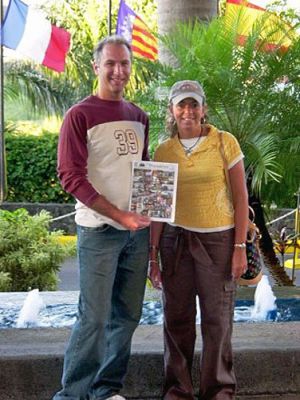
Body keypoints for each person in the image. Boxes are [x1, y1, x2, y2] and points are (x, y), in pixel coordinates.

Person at [53, 35, 151, 400]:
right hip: (98, 232)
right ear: (97, 67)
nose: (118, 70)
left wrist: (145, 218)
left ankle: (106, 390)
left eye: (124, 63)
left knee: (126, 317)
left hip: (136, 235)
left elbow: (143, 173)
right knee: (93, 319)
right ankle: (72, 395)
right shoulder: (80, 115)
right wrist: (119, 215)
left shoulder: (138, 116)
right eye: (110, 63)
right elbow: (70, 176)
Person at [149, 80, 249, 400]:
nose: (188, 111)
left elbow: (241, 197)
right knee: (176, 318)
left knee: (216, 319)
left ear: (203, 109)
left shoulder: (224, 142)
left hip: (218, 242)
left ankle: (218, 389)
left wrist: (239, 247)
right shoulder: (163, 150)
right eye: (182, 105)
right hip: (174, 242)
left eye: (194, 104)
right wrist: (153, 255)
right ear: (172, 110)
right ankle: (177, 390)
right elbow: (156, 208)